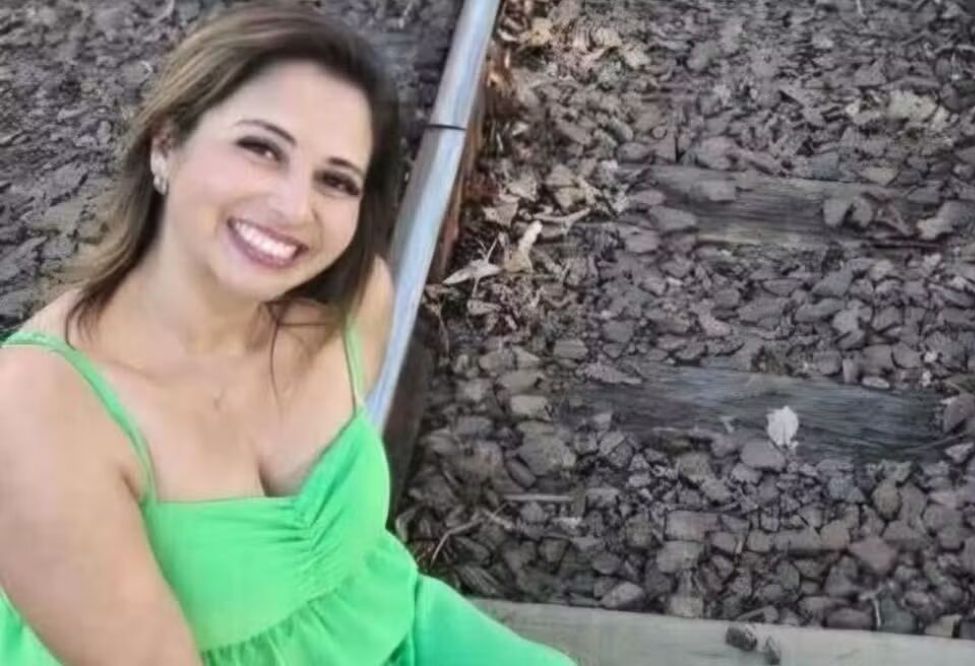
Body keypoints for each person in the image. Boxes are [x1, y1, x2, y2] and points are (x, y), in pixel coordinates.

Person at [0, 4, 575, 665]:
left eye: (336, 180)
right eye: (261, 148)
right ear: (166, 145)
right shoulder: (39, 411)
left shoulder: (352, 306)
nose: (294, 208)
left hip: (395, 626)